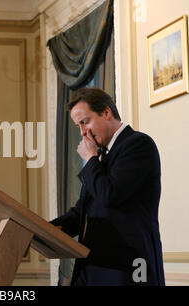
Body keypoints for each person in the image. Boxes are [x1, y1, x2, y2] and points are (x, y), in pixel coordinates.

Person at [50, 88, 165, 286]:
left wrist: (91, 159)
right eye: (78, 126)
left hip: (127, 270)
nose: (82, 132)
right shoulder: (101, 156)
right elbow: (82, 212)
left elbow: (109, 195)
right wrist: (43, 229)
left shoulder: (138, 144)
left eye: (85, 122)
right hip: (95, 268)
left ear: (106, 112)